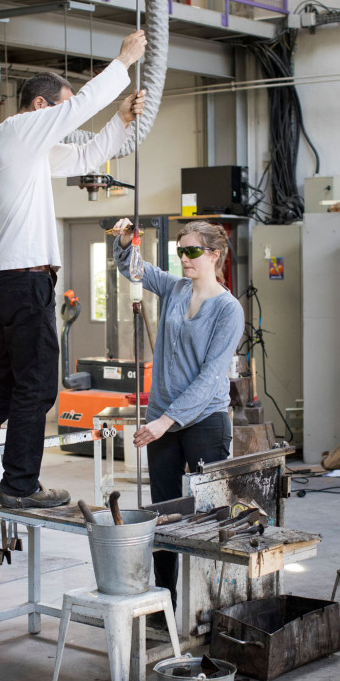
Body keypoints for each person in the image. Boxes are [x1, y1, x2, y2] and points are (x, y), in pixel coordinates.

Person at [0, 31, 147, 509]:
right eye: (61, 106)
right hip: (23, 280)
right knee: (35, 388)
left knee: (11, 382)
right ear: (40, 106)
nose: (66, 114)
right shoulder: (18, 130)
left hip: (13, 281)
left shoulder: (28, 150)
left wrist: (119, 121)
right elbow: (77, 114)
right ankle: (20, 485)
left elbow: (84, 156)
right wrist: (122, 62)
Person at [113, 217, 244, 615]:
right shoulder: (174, 289)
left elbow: (209, 378)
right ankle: (163, 605)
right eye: (180, 252)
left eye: (192, 252)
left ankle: (214, 607)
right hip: (162, 422)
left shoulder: (228, 310)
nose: (184, 259)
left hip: (203, 422)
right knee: (165, 515)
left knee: (209, 517)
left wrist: (165, 421)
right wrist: (124, 240)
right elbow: (134, 268)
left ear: (214, 255)